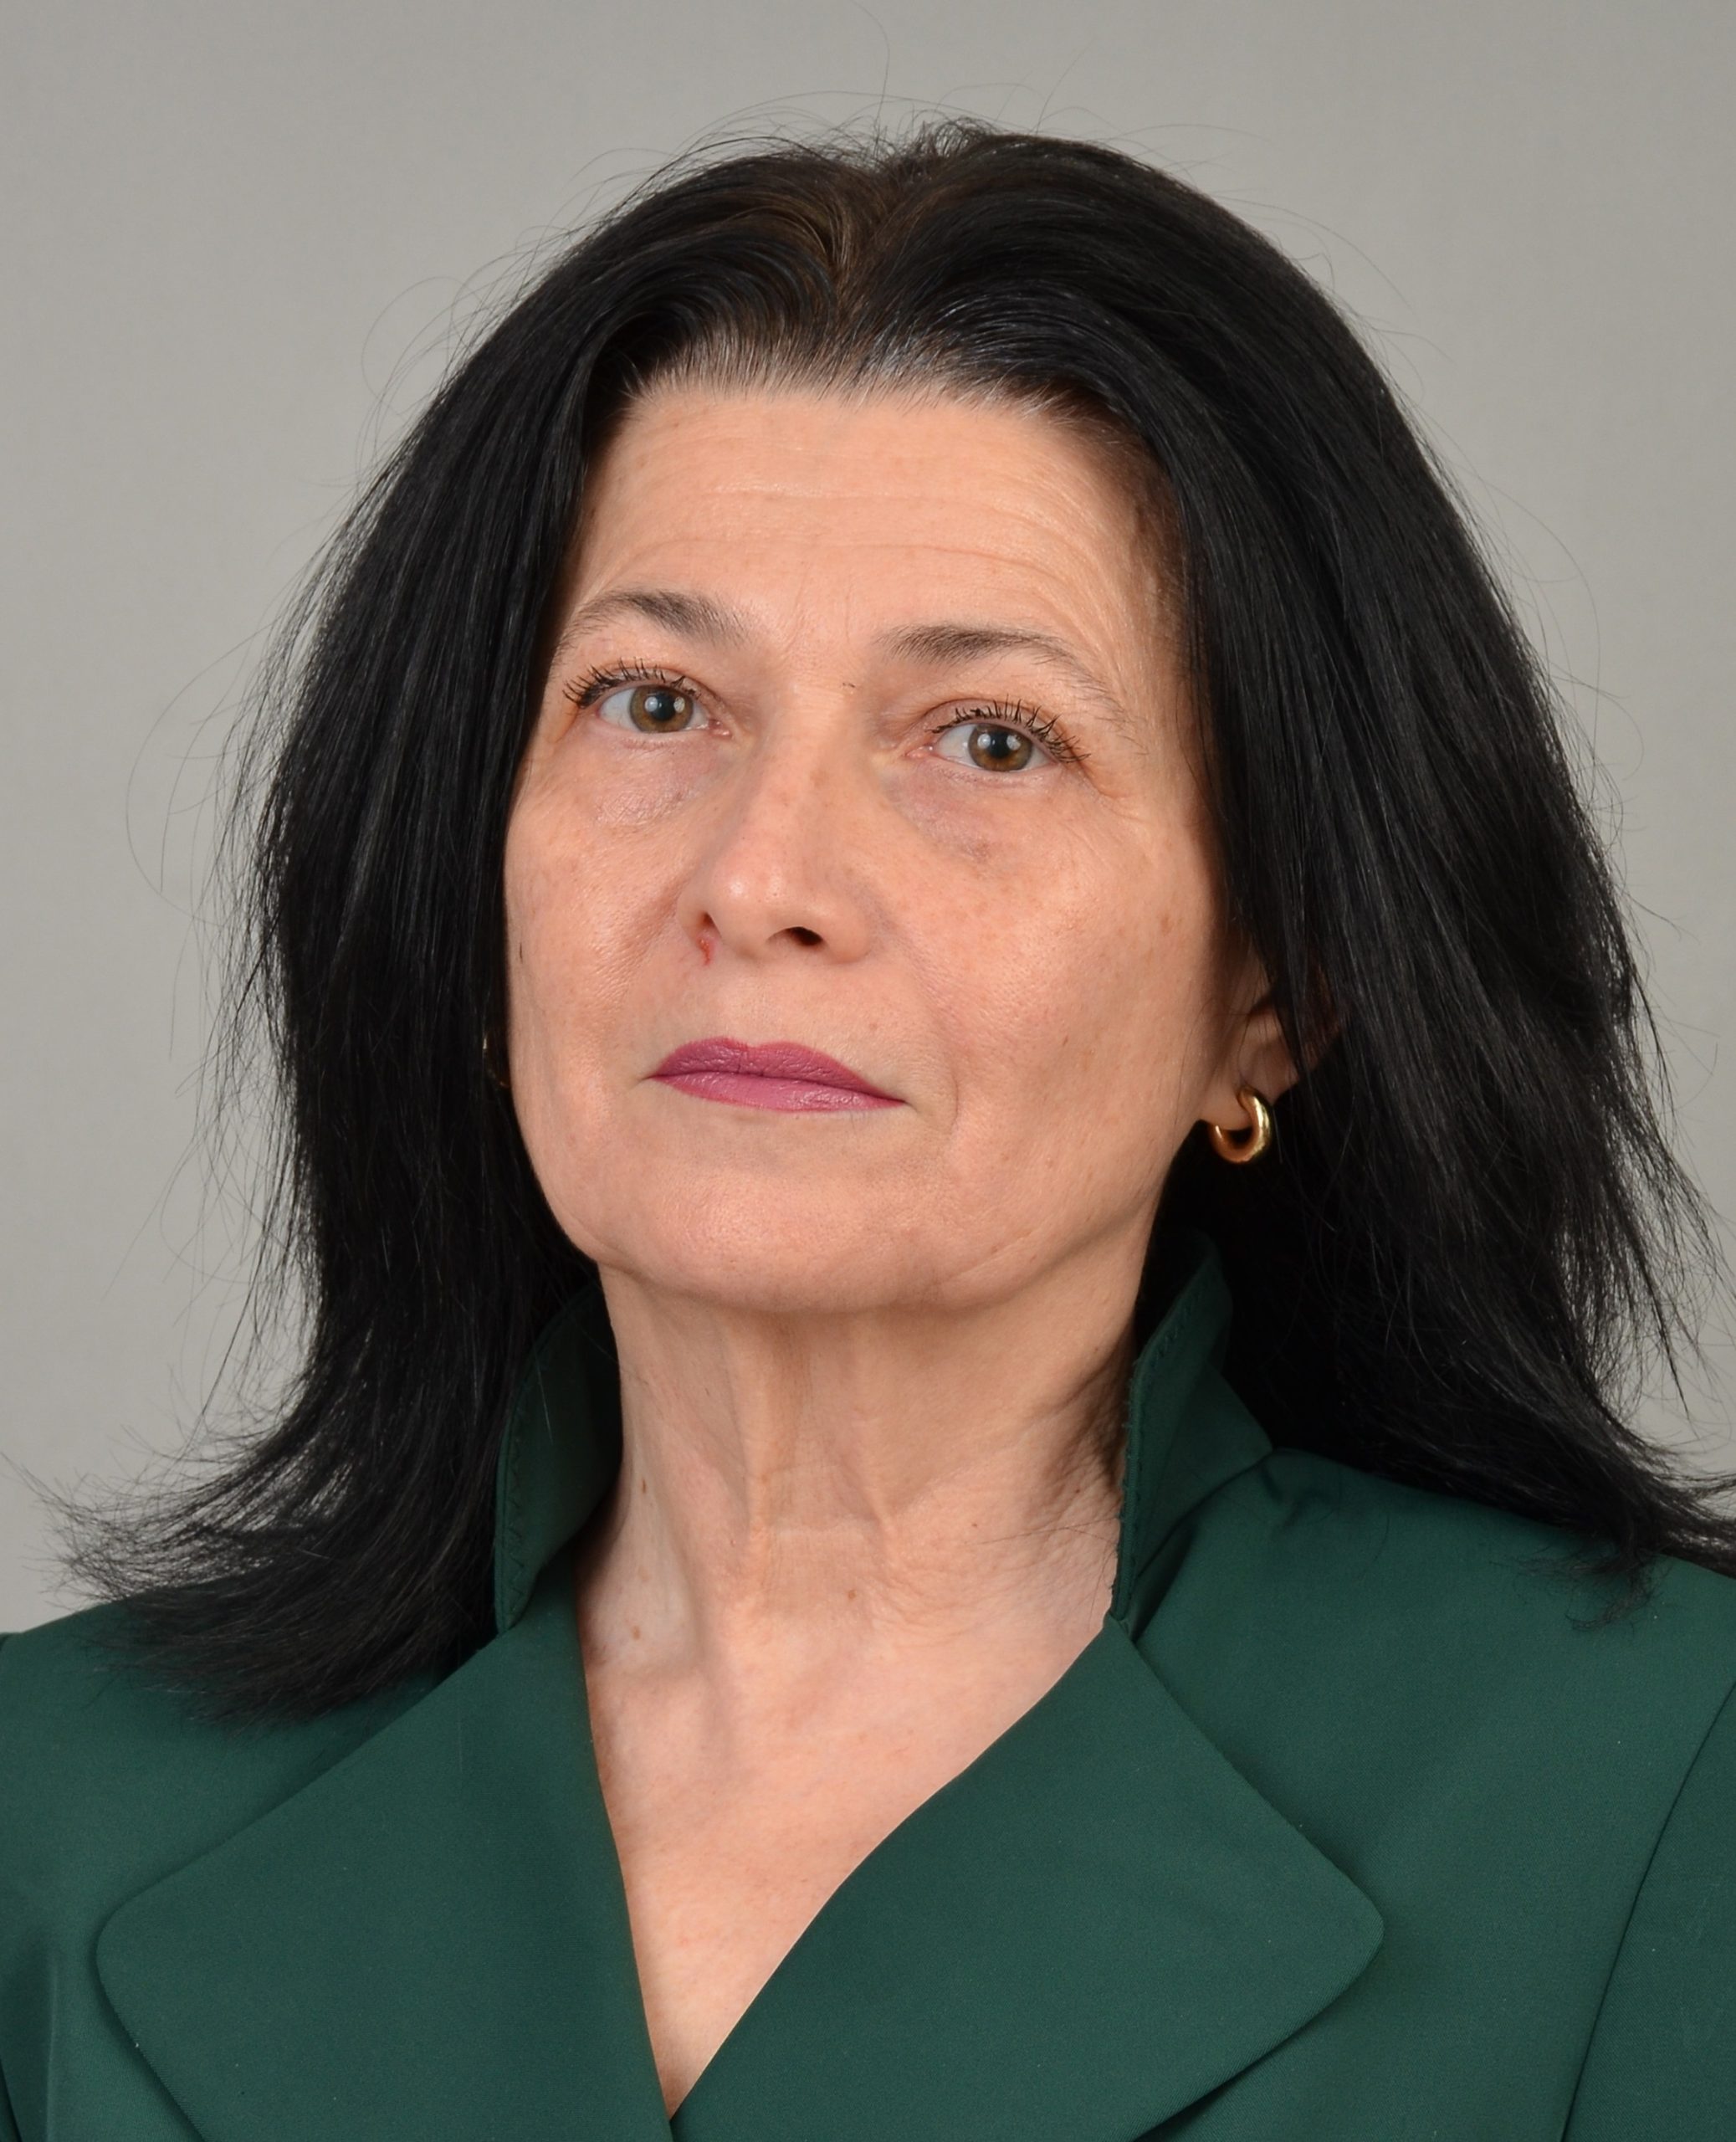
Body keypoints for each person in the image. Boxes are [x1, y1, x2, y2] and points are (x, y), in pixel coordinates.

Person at [2, 115, 1732, 2140]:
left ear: (1279, 991)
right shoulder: (56, 1810)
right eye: (655, 702)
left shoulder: (1653, 1789)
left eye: (991, 739)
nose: (762, 878)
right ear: (468, 881)